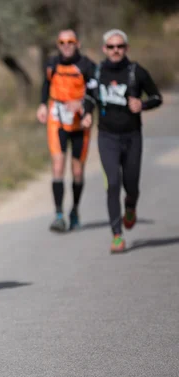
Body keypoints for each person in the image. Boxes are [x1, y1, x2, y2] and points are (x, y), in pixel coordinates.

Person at [87, 29, 162, 253]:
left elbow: (157, 97)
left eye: (120, 46)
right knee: (112, 184)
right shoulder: (98, 72)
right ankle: (117, 236)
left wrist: (143, 105)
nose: (115, 50)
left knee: (131, 186)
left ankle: (130, 207)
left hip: (132, 137)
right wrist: (87, 113)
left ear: (126, 48)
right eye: (111, 47)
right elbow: (89, 97)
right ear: (104, 49)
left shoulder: (136, 71)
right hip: (107, 137)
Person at [36, 29, 97, 232]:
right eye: (62, 42)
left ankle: (75, 210)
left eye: (70, 41)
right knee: (58, 164)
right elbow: (46, 84)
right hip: (57, 119)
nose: (66, 45)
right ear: (58, 45)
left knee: (77, 170)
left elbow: (95, 93)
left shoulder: (88, 66)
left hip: (80, 122)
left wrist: (83, 107)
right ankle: (59, 214)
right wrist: (43, 105)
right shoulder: (52, 64)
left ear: (77, 44)